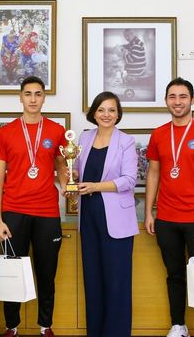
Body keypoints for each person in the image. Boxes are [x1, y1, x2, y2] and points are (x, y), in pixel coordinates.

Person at [144, 77, 194, 337]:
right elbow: (153, 175)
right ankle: (178, 325)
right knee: (175, 275)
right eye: (172, 97)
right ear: (166, 100)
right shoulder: (158, 134)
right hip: (167, 218)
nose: (177, 102)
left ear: (192, 100)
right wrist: (148, 212)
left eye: (182, 97)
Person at [0, 75, 68, 337]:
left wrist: (67, 184)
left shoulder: (57, 131)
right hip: (13, 211)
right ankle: (11, 326)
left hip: (47, 212)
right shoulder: (6, 132)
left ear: (44, 97)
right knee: (12, 272)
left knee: (46, 273)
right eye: (28, 94)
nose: (33, 99)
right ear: (21, 97)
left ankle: (45, 325)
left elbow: (61, 165)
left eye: (38, 94)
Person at [74, 91, 138, 337]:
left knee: (117, 282)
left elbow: (129, 180)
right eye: (101, 110)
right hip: (89, 217)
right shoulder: (84, 138)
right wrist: (71, 184)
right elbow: (76, 173)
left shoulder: (126, 141)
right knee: (93, 280)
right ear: (94, 113)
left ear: (118, 113)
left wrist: (95, 187)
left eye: (112, 110)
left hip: (116, 220)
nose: (106, 114)